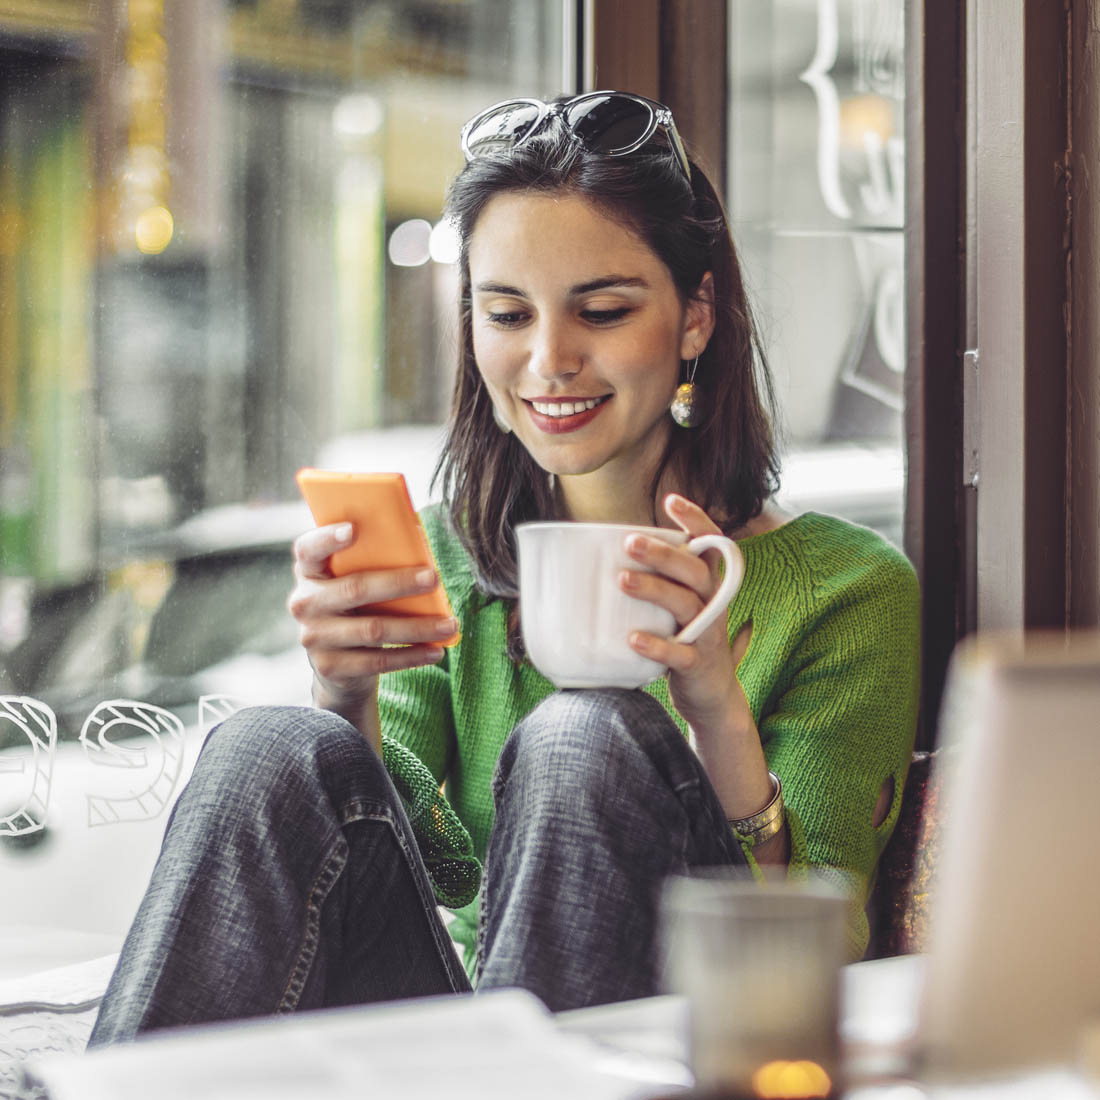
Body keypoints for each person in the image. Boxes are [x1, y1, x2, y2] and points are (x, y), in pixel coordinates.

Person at [88, 91, 920, 1042]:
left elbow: (811, 949)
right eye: (507, 313)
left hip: (676, 1035)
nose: (549, 360)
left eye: (602, 310)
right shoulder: (448, 551)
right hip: (467, 1031)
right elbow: (433, 867)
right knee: (269, 742)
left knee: (583, 734)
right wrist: (344, 694)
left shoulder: (848, 590)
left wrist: (716, 710)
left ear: (696, 317)